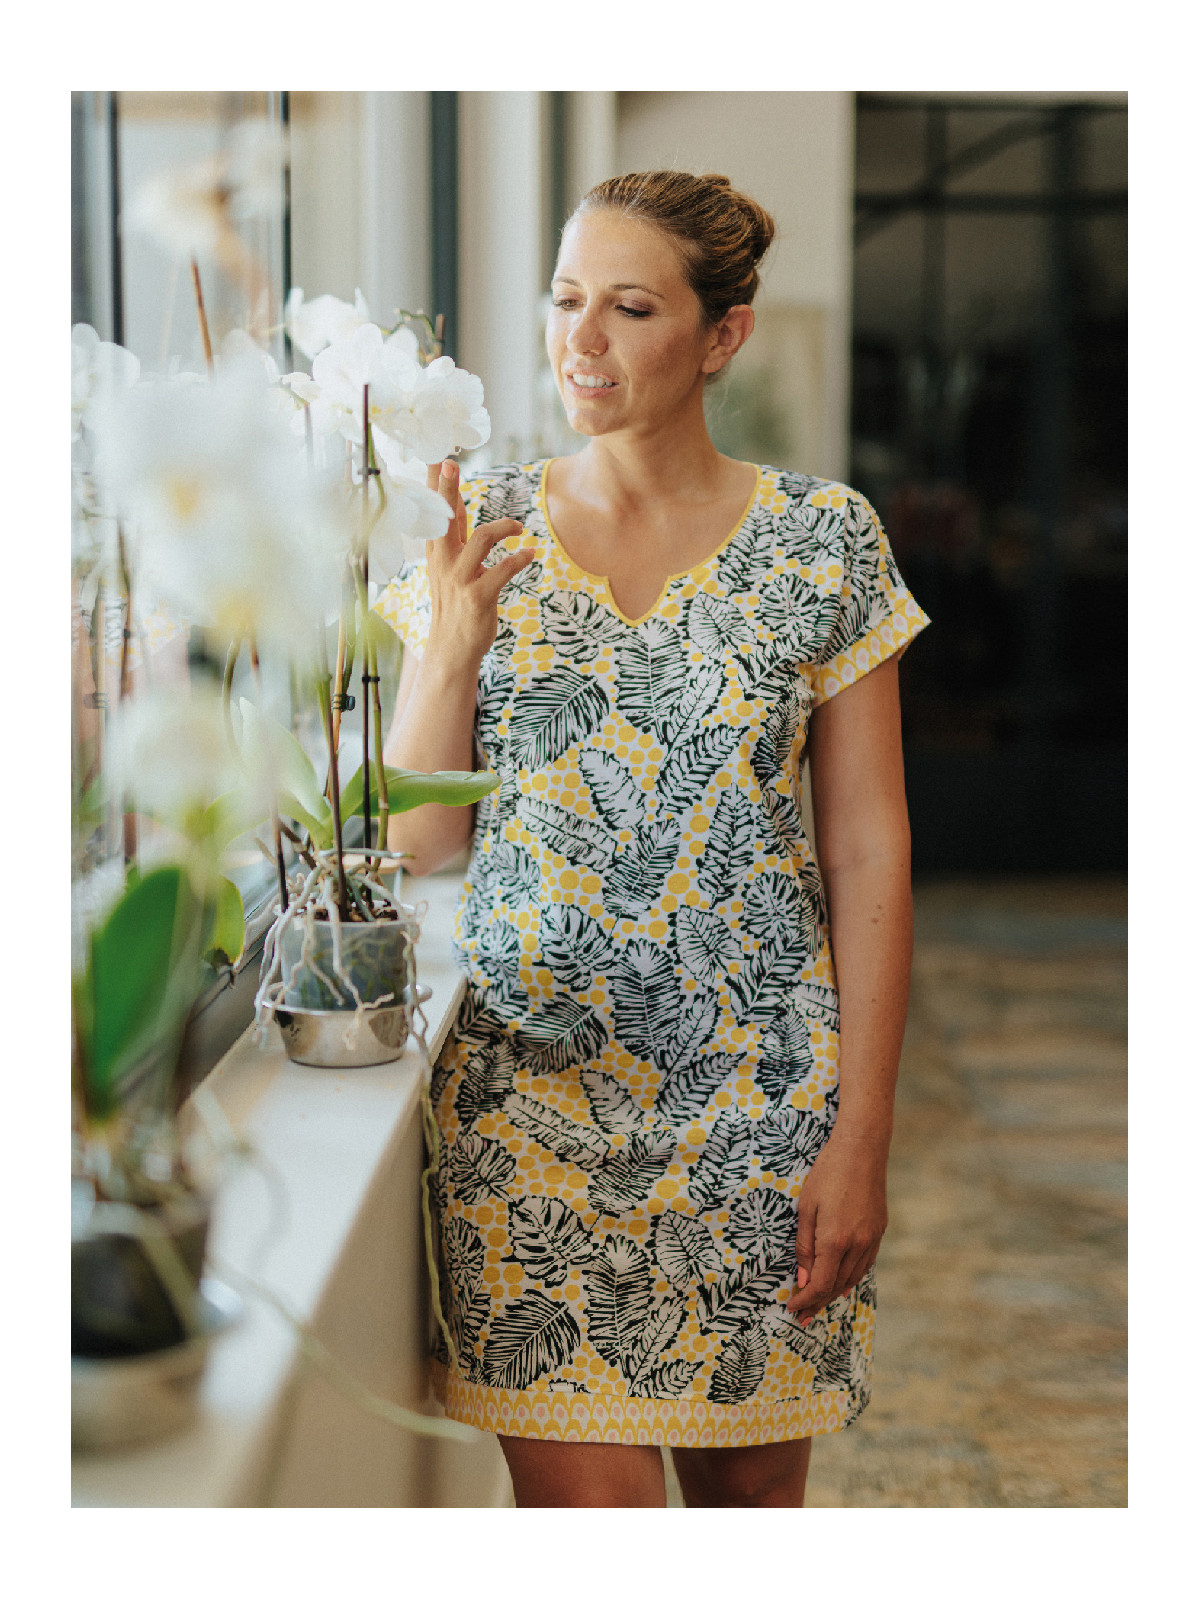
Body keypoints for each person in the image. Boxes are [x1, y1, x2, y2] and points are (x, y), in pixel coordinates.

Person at [378, 170, 929, 1508]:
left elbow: (868, 852)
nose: (582, 340)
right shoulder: (475, 529)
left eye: (629, 309)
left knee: (750, 1520)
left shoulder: (824, 540)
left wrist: (861, 1137)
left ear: (722, 335)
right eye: (566, 299)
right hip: (527, 1116)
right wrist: (452, 643)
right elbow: (422, 841)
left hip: (761, 1115)